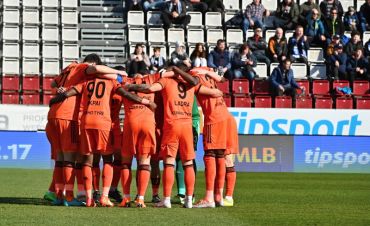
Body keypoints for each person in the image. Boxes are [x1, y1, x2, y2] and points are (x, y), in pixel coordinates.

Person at [49, 70, 153, 208]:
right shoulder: (112, 82)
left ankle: (89, 198)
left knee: (87, 160)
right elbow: (126, 93)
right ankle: (105, 196)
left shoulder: (85, 82)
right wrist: (144, 101)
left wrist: (54, 99)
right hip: (104, 123)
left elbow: (68, 93)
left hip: (87, 122)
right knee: (109, 160)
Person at [126, 66, 223, 208]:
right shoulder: (192, 84)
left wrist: (131, 86)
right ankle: (189, 199)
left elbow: (149, 89)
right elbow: (215, 92)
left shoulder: (166, 81)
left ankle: (166, 200)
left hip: (172, 125)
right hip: (187, 126)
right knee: (188, 162)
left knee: (169, 162)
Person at [45, 54, 128, 206]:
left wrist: (58, 93)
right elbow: (96, 69)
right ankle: (70, 197)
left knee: (61, 158)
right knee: (74, 159)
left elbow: (52, 84)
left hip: (53, 116)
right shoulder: (83, 69)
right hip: (69, 116)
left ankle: (59, 195)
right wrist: (119, 74)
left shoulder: (69, 68)